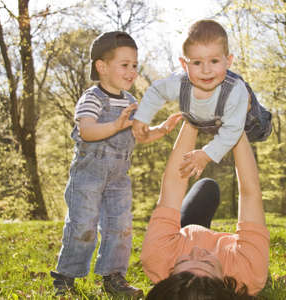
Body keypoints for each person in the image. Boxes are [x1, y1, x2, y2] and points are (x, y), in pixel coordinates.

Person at [50, 31, 181, 298]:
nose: (132, 71)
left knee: (120, 225)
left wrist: (160, 130)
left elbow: (139, 135)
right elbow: (87, 131)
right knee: (83, 225)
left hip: (119, 177)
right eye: (125, 65)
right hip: (88, 175)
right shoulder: (92, 98)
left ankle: (113, 276)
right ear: (102, 66)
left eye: (135, 65)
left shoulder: (132, 102)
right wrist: (114, 125)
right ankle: (66, 277)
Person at [141, 121, 270, 299]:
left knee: (207, 187)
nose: (197, 251)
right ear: (226, 283)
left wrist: (192, 118)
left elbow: (174, 183)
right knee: (255, 117)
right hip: (237, 254)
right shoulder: (249, 272)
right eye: (207, 263)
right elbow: (250, 193)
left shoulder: (158, 256)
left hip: (185, 232)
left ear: (170, 273)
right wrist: (236, 126)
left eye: (185, 260)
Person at [133, 19, 272, 180]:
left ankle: (253, 112)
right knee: (194, 116)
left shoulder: (234, 91)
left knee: (255, 130)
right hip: (211, 121)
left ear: (228, 61)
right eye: (197, 62)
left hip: (251, 122)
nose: (206, 70)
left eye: (214, 61)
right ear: (184, 65)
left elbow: (232, 131)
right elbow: (156, 91)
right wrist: (142, 118)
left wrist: (206, 155)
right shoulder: (179, 83)